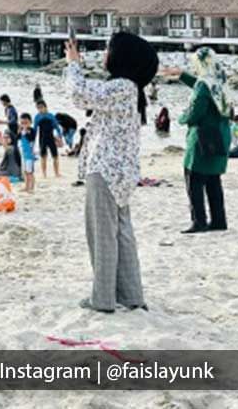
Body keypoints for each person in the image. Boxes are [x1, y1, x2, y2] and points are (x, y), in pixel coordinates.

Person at [66, 31, 157, 313]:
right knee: (121, 233)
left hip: (105, 170)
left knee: (102, 234)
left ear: (121, 57)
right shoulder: (131, 89)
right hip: (122, 172)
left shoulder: (121, 87)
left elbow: (79, 95)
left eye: (109, 49)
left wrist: (72, 63)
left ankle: (103, 298)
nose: (105, 54)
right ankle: (130, 295)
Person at [162, 48, 231, 233]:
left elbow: (196, 109)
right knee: (213, 180)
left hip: (203, 137)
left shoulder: (203, 85)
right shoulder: (220, 80)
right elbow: (204, 88)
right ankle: (219, 221)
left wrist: (182, 118)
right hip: (220, 136)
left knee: (194, 179)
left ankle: (199, 221)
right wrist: (182, 76)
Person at [34, 99, 62, 178]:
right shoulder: (37, 117)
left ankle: (56, 173)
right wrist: (32, 141)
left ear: (45, 107)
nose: (40, 109)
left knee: (55, 156)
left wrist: (60, 137)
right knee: (43, 156)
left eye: (41, 107)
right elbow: (35, 130)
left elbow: (57, 127)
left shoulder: (51, 116)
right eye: (38, 108)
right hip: (42, 139)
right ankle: (44, 174)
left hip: (51, 138)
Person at [17, 113, 36, 192]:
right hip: (23, 154)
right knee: (25, 172)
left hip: (30, 155)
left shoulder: (32, 130)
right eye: (22, 123)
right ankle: (26, 186)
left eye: (26, 123)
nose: (24, 124)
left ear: (30, 122)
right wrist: (19, 131)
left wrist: (25, 131)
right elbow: (17, 138)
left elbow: (31, 139)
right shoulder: (21, 130)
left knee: (30, 172)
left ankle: (31, 187)